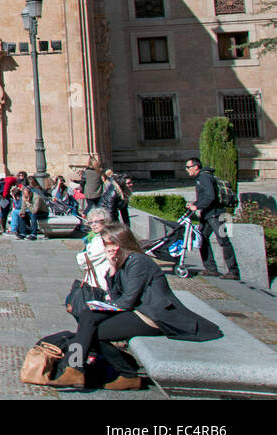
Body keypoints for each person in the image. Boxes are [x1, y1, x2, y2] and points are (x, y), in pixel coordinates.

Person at [48, 224, 222, 390]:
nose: (108, 247)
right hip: (139, 311)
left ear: (121, 242)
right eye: (106, 243)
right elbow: (118, 296)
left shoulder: (138, 262)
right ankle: (75, 368)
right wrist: (113, 269)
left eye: (110, 243)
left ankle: (122, 373)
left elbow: (126, 301)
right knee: (87, 317)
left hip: (153, 316)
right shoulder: (124, 261)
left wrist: (103, 305)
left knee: (90, 328)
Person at [185, 158, 239, 280]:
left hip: (216, 215)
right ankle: (211, 269)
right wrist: (193, 204)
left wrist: (197, 206)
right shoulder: (200, 178)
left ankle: (233, 271)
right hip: (208, 215)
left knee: (223, 241)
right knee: (201, 239)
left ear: (195, 167)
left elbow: (210, 196)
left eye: (188, 167)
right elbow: (204, 197)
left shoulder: (204, 177)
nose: (186, 170)